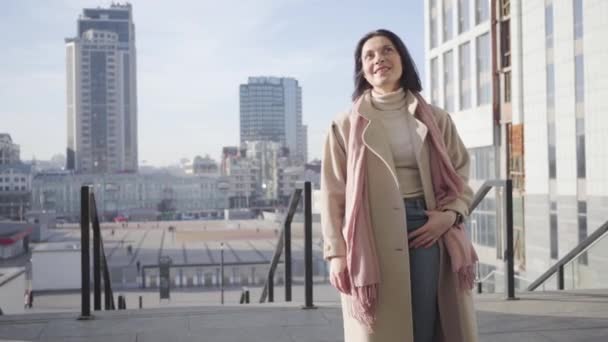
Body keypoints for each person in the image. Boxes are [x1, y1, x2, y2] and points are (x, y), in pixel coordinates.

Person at [321, 29, 478, 342]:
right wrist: (336, 254)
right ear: (362, 70)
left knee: (425, 317)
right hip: (369, 232)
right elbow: (333, 192)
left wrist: (450, 215)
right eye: (369, 55)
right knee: (379, 325)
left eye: (387, 50)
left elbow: (461, 173)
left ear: (403, 59)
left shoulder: (436, 118)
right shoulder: (345, 124)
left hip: (426, 226)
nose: (379, 58)